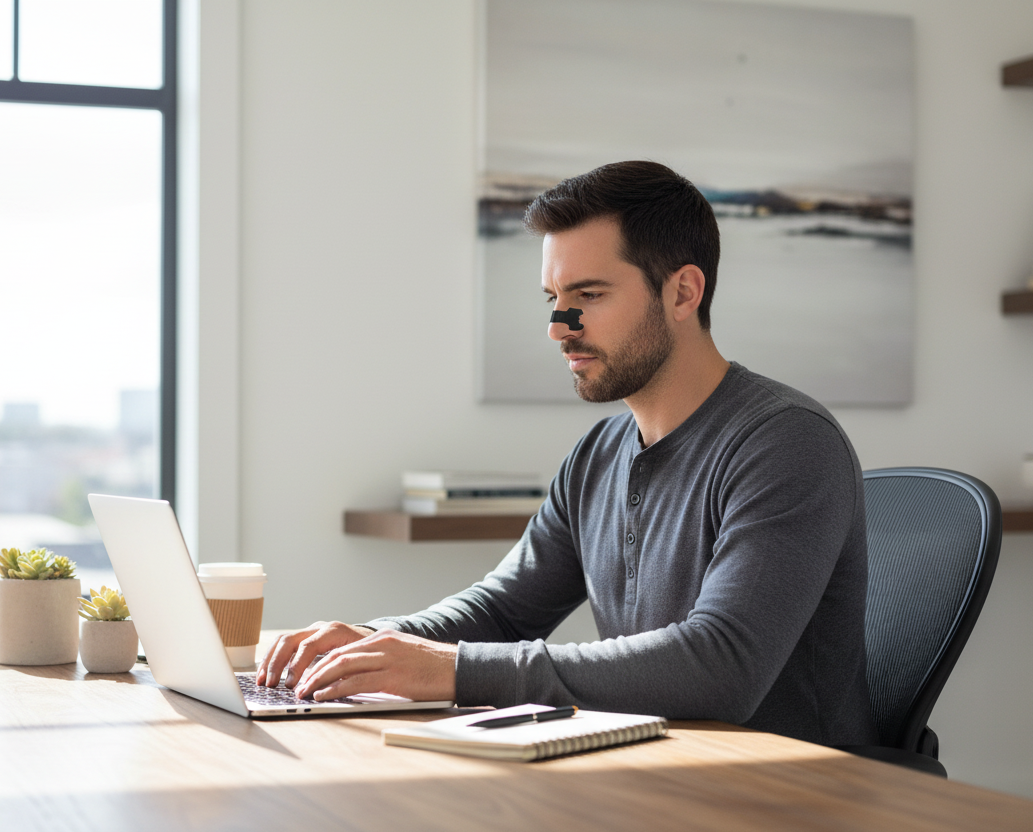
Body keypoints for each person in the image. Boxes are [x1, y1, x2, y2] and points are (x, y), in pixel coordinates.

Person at [259, 160, 877, 746]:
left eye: (589, 293)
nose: (560, 324)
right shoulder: (599, 453)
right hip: (656, 774)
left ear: (683, 292)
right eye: (552, 296)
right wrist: (373, 643)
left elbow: (722, 668)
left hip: (788, 794)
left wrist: (452, 670)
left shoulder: (787, 442)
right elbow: (503, 611)